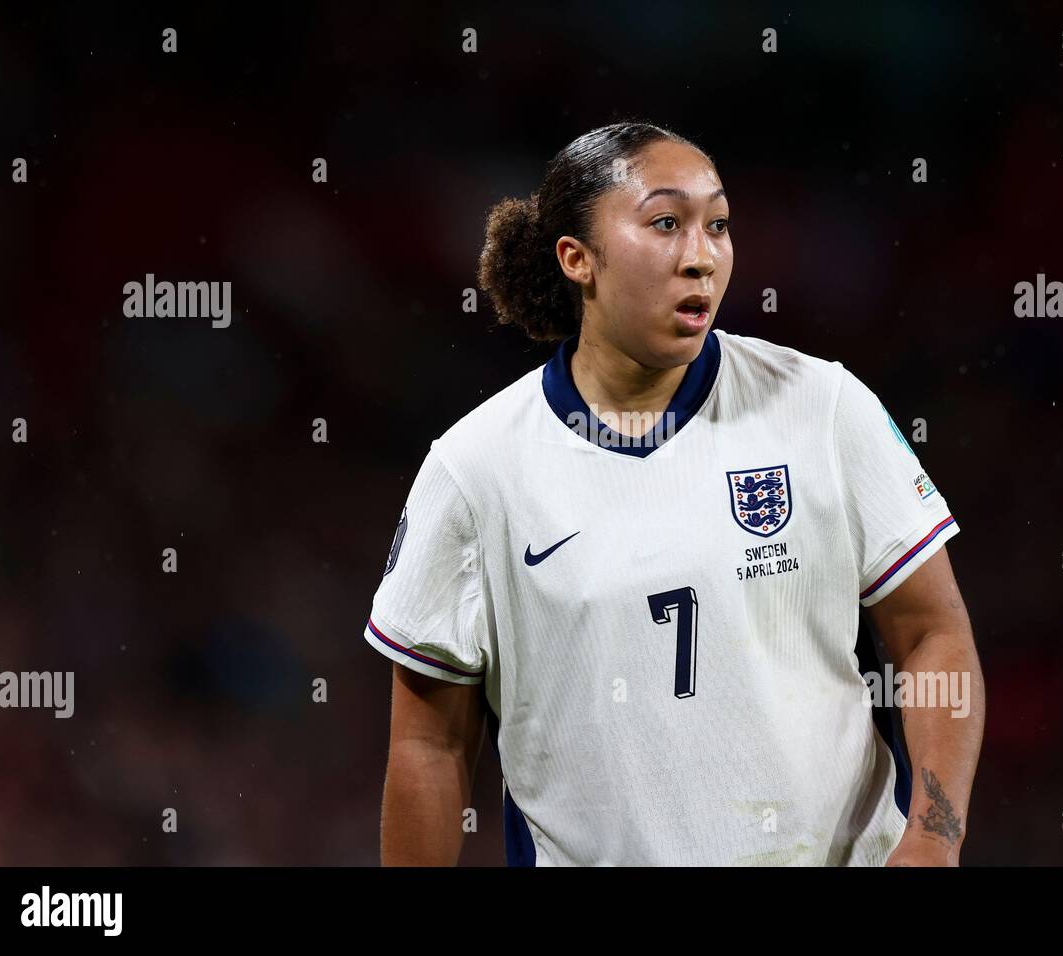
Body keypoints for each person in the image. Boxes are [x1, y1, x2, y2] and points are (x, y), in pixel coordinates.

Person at [363, 120, 984, 866]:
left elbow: (932, 637)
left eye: (717, 225)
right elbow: (430, 745)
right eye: (666, 223)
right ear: (577, 259)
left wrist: (933, 836)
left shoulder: (823, 407)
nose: (702, 257)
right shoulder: (476, 469)